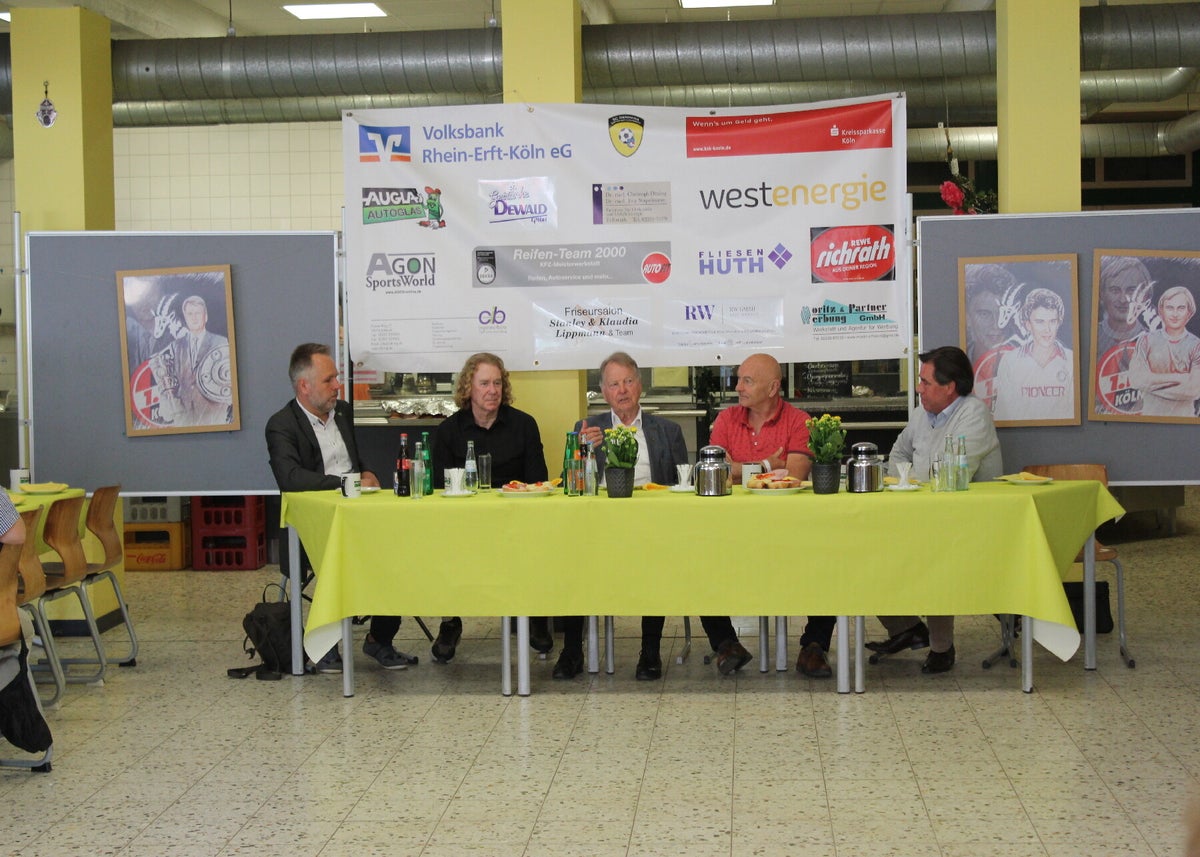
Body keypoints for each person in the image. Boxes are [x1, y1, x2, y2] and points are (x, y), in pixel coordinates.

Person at [552, 352, 749, 681]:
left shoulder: (667, 430)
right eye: (614, 384)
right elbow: (568, 483)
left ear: (640, 385)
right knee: (574, 558)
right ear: (604, 392)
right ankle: (571, 651)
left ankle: (651, 651)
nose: (622, 390)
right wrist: (583, 451)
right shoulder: (588, 428)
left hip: (655, 528)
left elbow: (683, 484)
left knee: (669, 555)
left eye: (628, 381)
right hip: (600, 529)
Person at [265, 343, 411, 672]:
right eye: (329, 380)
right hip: (314, 525)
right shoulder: (281, 425)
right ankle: (326, 644)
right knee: (338, 554)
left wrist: (367, 473)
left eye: (336, 378)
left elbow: (354, 460)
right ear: (304, 386)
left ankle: (379, 639)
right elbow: (290, 477)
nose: (338, 386)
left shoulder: (342, 412)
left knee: (398, 546)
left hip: (359, 515)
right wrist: (347, 483)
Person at [871, 345, 1003, 673]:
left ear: (949, 387)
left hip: (968, 523)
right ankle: (906, 627)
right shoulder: (922, 414)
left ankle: (941, 647)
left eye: (925, 382)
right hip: (918, 512)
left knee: (932, 554)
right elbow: (898, 453)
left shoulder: (974, 414)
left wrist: (910, 481)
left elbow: (951, 473)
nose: (918, 388)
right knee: (864, 546)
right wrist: (907, 481)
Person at [708, 353, 834, 679]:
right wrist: (767, 465)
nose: (738, 387)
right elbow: (716, 471)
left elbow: (794, 475)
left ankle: (814, 646)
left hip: (791, 530)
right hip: (731, 529)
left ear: (773, 387)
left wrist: (740, 471)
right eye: (739, 379)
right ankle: (726, 644)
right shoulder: (726, 419)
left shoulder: (799, 421)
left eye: (747, 381)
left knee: (832, 556)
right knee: (699, 557)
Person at [430, 352, 550, 662]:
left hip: (516, 518)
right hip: (464, 521)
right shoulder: (448, 431)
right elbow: (438, 488)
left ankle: (535, 614)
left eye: (497, 383)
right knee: (440, 541)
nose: (492, 390)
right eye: (484, 383)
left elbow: (539, 480)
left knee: (541, 534)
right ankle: (450, 621)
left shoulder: (524, 425)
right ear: (468, 388)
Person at [992, 288, 1075, 421]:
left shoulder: (1072, 360)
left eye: (1052, 321)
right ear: (1028, 325)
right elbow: (1002, 415)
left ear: (1058, 323)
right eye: (1040, 322)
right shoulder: (1009, 361)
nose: (1047, 329)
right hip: (1021, 433)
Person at [152, 295, 234, 427]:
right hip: (184, 419)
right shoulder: (176, 346)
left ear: (205, 316)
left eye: (198, 313)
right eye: (190, 314)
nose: (194, 317)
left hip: (215, 418)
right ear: (185, 317)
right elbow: (163, 374)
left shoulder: (221, 342)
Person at [1126, 286, 1200, 418]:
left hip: (1185, 423)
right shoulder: (1145, 341)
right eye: (1170, 308)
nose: (1175, 314)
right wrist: (1180, 378)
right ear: (1161, 311)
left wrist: (1150, 384)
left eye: (1181, 308)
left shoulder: (1196, 345)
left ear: (1189, 312)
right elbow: (1136, 380)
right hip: (1149, 420)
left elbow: (1195, 389)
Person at [1096, 256, 1153, 361]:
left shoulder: (1154, 342)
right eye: (1115, 290)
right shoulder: (1092, 337)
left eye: (1131, 290)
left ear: (1145, 295)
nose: (1123, 299)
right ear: (1102, 294)